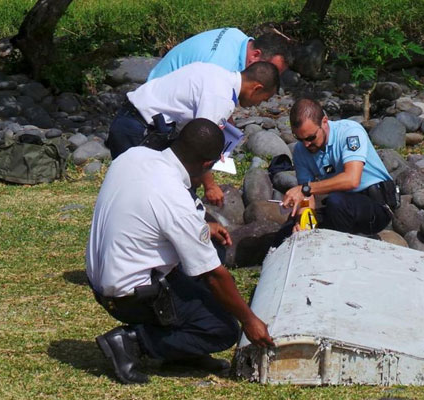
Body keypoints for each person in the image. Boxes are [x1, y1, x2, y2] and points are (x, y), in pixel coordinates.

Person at [87, 118, 274, 384]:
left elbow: (147, 214)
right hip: (130, 295)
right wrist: (249, 320)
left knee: (213, 251)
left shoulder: (134, 155)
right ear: (207, 165)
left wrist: (204, 228)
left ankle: (183, 352)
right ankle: (132, 342)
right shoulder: (174, 197)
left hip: (102, 278)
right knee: (221, 329)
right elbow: (214, 276)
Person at [106, 61, 280, 206]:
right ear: (257, 88)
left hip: (129, 118)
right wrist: (210, 186)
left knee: (129, 190)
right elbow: (200, 145)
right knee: (139, 196)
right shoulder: (221, 97)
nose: (257, 105)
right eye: (263, 99)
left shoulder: (216, 72)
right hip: (140, 130)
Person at [279, 98, 398, 236]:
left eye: (311, 138)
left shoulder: (350, 132)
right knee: (289, 228)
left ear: (324, 122)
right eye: (300, 139)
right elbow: (306, 198)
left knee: (336, 202)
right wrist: (303, 222)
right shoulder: (301, 151)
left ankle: (343, 248)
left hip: (376, 206)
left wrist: (306, 188)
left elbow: (352, 180)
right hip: (342, 205)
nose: (306, 144)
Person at [147, 27, 289, 81]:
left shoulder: (236, 35)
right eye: (272, 71)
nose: (271, 80)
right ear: (255, 55)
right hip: (154, 110)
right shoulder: (221, 68)